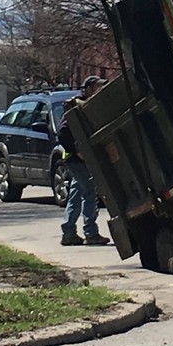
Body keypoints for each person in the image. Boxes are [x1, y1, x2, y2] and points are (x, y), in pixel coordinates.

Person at [57, 77, 111, 247]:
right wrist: (77, 151)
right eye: (97, 86)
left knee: (76, 195)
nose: (99, 89)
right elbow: (62, 133)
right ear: (88, 88)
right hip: (77, 161)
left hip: (77, 160)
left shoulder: (87, 104)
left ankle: (69, 232)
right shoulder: (78, 105)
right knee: (89, 193)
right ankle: (91, 233)